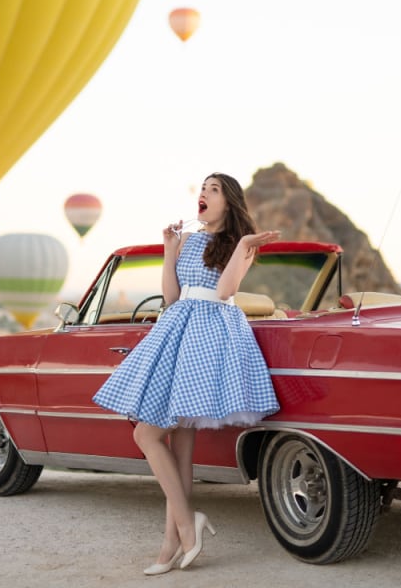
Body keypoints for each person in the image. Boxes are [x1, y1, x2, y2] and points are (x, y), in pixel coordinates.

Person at [92, 173, 281, 575]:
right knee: (176, 447)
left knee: (147, 433)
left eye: (213, 190)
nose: (203, 194)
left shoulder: (240, 244)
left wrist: (245, 246)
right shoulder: (191, 240)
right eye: (202, 188)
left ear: (228, 202)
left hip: (209, 335)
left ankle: (184, 527)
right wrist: (169, 249)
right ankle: (172, 542)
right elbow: (172, 297)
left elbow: (226, 291)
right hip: (179, 328)